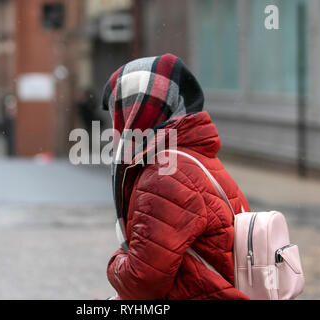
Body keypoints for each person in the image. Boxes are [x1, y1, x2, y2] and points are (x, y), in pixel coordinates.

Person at [102, 53, 251, 300]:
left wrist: (116, 259)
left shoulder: (166, 174)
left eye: (117, 112)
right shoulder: (192, 157)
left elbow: (142, 283)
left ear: (136, 111)